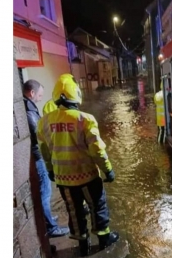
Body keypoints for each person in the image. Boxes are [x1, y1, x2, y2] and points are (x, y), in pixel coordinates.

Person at [37, 77, 119, 256]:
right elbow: (97, 150)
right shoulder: (85, 119)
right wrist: (108, 170)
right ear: (76, 95)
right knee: (97, 207)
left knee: (74, 211)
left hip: (64, 179)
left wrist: (51, 170)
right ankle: (105, 240)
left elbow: (44, 150)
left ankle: (83, 247)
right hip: (88, 176)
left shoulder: (44, 122)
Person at [22, 80, 70, 238]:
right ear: (32, 93)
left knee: (44, 191)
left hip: (37, 155)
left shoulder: (27, 107)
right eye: (39, 95)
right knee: (45, 192)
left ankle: (47, 218)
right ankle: (50, 227)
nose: (41, 98)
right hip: (38, 156)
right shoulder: (28, 110)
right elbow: (38, 132)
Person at [42, 74, 91, 217]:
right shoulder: (83, 118)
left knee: (72, 204)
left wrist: (50, 168)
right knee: (93, 201)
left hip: (61, 166)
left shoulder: (47, 109)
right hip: (80, 166)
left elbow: (45, 143)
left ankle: (80, 230)